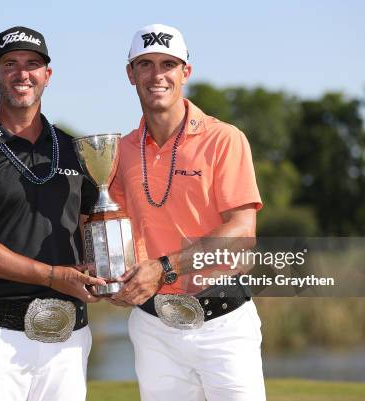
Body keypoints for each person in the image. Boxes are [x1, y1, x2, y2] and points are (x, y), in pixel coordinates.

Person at [0, 26, 104, 401]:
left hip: (69, 336)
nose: (22, 73)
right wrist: (51, 276)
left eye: (33, 64)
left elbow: (91, 226)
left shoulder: (73, 148)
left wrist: (107, 272)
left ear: (48, 75)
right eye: (10, 63)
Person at [109, 24, 266, 401]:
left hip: (222, 323)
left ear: (185, 73)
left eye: (168, 64)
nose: (156, 75)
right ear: (131, 74)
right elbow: (115, 228)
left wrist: (163, 267)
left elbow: (242, 232)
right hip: (153, 327)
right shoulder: (121, 150)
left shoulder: (223, 139)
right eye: (144, 64)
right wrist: (112, 274)